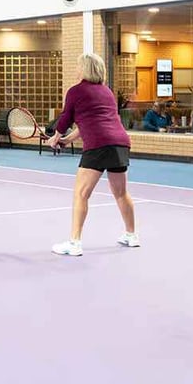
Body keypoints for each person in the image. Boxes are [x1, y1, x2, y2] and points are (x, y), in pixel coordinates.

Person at [47, 53, 138, 257]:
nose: (76, 69)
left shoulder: (76, 91)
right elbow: (91, 121)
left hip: (98, 145)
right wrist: (67, 140)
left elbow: (66, 118)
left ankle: (74, 243)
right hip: (120, 144)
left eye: (78, 66)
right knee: (121, 193)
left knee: (81, 194)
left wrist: (55, 137)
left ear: (85, 69)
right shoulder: (107, 92)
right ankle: (132, 235)